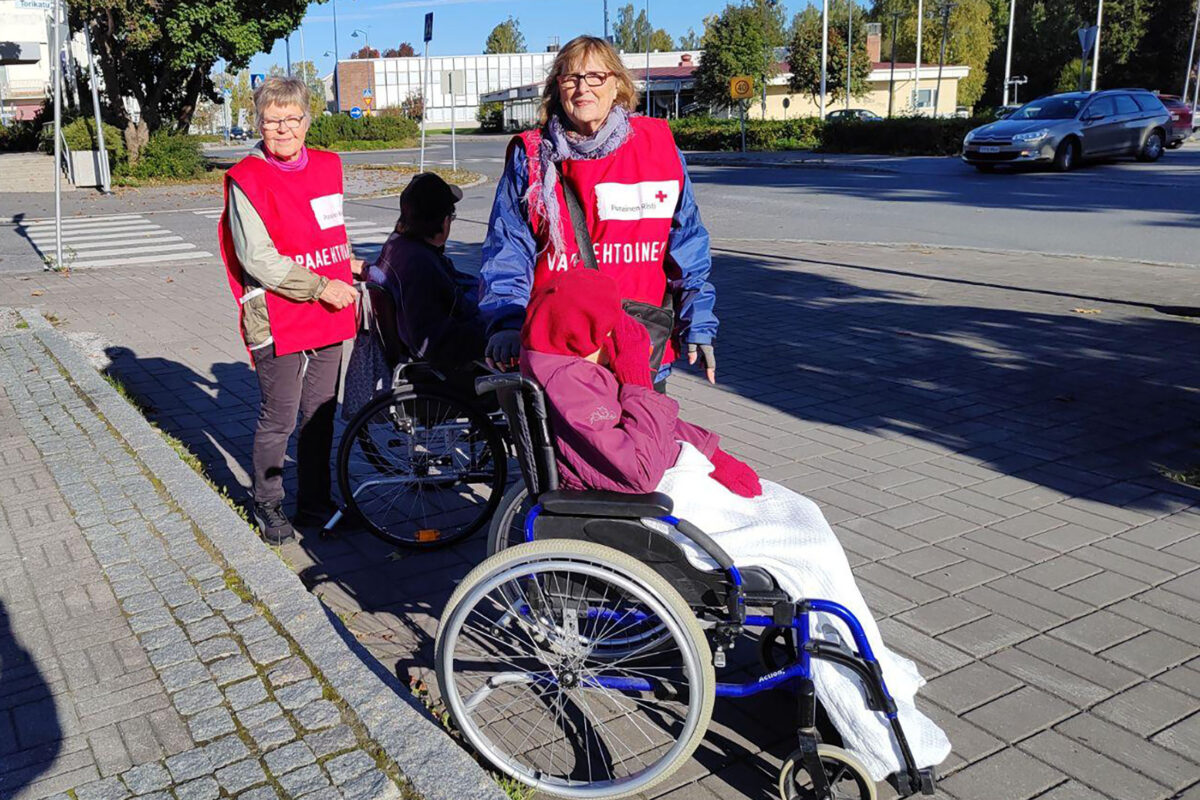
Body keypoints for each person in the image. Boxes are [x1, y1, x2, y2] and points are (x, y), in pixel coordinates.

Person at [519, 269, 951, 783]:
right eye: (607, 324)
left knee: (803, 513)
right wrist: (636, 378)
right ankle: (870, 722)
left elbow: (648, 435)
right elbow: (635, 467)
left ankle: (863, 664)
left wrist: (712, 451)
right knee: (805, 549)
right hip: (648, 504)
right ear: (583, 328)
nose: (617, 330)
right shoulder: (568, 378)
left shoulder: (566, 356)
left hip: (664, 480)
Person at [479, 35, 717, 388]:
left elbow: (687, 245)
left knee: (644, 441)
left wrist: (697, 321)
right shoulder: (530, 157)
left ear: (617, 85)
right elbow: (508, 249)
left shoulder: (658, 149)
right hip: (559, 355)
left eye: (595, 76)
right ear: (557, 88)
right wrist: (506, 322)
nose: (582, 88)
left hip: (640, 347)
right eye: (570, 77)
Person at [218, 75, 364, 544]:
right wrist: (322, 285)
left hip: (326, 309)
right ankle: (267, 501)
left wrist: (351, 264)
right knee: (279, 416)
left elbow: (329, 231)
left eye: (291, 118)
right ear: (258, 123)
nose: (282, 128)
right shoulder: (248, 178)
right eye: (271, 120)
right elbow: (257, 258)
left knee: (320, 414)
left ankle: (315, 500)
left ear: (307, 120)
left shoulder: (328, 166)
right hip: (276, 312)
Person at [368, 172, 486, 395]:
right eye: (451, 217)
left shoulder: (401, 246)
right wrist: (491, 331)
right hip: (442, 371)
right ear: (443, 223)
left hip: (435, 352)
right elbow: (427, 341)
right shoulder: (419, 265)